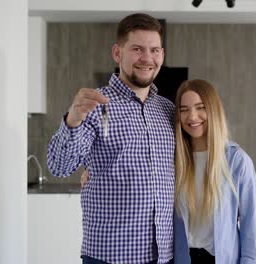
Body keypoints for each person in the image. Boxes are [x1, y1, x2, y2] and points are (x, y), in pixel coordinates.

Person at [47, 13, 175, 264]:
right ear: (118, 53)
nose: (147, 58)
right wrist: (72, 120)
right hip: (110, 256)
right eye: (137, 49)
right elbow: (59, 167)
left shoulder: (168, 110)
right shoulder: (93, 105)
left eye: (154, 50)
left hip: (164, 255)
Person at [172, 79, 256, 263]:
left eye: (200, 107)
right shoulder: (175, 160)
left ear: (213, 109)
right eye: (184, 109)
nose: (192, 117)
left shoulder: (237, 161)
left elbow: (250, 225)